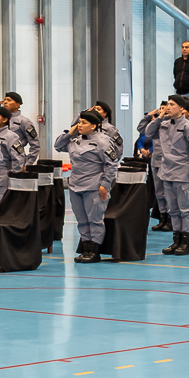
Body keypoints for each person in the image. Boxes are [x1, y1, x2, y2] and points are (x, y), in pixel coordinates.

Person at [56, 109, 121, 264]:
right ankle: (86, 248)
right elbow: (58, 146)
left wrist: (105, 185)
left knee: (95, 220)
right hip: (75, 186)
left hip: (94, 186)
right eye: (79, 122)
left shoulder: (103, 142)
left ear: (94, 126)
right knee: (82, 220)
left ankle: (94, 251)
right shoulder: (75, 140)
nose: (80, 125)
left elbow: (111, 164)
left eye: (84, 123)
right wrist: (70, 133)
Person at [0, 105, 30, 211]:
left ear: (4, 119)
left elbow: (18, 159)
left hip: (2, 181)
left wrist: (13, 179)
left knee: (2, 212)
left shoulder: (11, 136)